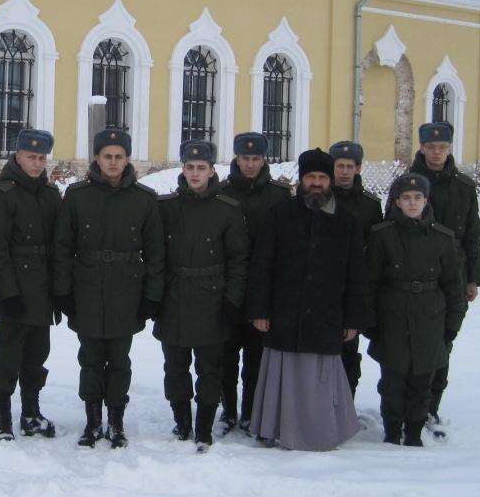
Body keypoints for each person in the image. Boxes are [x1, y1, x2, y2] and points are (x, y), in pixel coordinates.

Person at [248, 148, 367, 451]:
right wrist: (260, 309)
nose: (316, 183)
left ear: (329, 182)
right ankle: (276, 428)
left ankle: (320, 432)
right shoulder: (280, 213)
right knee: (283, 375)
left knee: (319, 379)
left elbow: (357, 273)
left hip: (326, 315)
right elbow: (262, 264)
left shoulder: (347, 221)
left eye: (322, 177)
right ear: (301, 180)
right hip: (284, 311)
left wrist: (353, 319)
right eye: (310, 177)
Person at [53, 128, 165, 449]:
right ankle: (92, 423)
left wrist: (151, 297)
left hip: (126, 291)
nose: (113, 162)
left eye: (119, 156)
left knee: (119, 360)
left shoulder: (144, 199)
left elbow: (156, 254)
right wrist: (64, 292)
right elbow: (63, 248)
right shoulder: (77, 196)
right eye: (107, 156)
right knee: (90, 358)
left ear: (127, 159)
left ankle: (116, 422)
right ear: (97, 159)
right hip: (86, 289)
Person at [155, 140, 248, 452]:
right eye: (190, 167)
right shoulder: (166, 208)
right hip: (174, 298)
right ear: (183, 169)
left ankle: (204, 427)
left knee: (210, 368)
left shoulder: (227, 210)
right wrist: (155, 298)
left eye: (201, 168)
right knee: (175, 367)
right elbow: (155, 257)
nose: (195, 173)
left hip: (212, 299)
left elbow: (238, 260)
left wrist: (232, 301)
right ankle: (181, 423)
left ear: (212, 171)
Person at [366, 173, 466, 446]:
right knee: (393, 380)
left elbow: (453, 287)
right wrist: (371, 322)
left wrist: (452, 325)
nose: (412, 203)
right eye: (406, 198)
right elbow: (371, 282)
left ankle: (413, 432)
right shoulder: (382, 235)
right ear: (397, 202)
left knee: (422, 379)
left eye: (418, 198)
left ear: (426, 200)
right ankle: (391, 430)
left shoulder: (442, 237)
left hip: (430, 317)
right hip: (393, 315)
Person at [0, 128, 62, 443]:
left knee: (36, 356)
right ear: (17, 156)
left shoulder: (51, 195)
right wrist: (8, 293)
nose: (37, 163)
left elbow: (58, 246)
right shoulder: (1, 196)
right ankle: (3, 421)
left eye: (42, 157)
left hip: (43, 292)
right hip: (15, 293)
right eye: (31, 157)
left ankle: (31, 413)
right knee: (6, 358)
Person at [218, 132, 292, 434]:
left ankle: (251, 411)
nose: (250, 164)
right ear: (236, 158)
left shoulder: (280, 196)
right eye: (245, 158)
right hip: (227, 288)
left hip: (264, 290)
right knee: (225, 356)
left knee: (257, 357)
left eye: (256, 159)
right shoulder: (221, 192)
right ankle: (228, 411)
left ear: (264, 160)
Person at [410, 122, 480, 428]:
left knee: (443, 341)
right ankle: (410, 402)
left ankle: (432, 404)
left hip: (453, 275)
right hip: (415, 275)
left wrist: (473, 278)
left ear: (450, 148)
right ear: (422, 148)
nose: (436, 152)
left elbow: (473, 236)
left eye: (442, 147)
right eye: (431, 147)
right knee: (412, 341)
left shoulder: (464, 187)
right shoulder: (408, 184)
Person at [329, 140, 384, 397]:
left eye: (349, 166)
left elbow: (374, 250)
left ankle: (346, 401)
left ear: (358, 168)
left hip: (353, 287)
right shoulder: (318, 198)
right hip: (323, 287)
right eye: (339, 166)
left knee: (349, 350)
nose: (343, 171)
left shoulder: (370, 205)